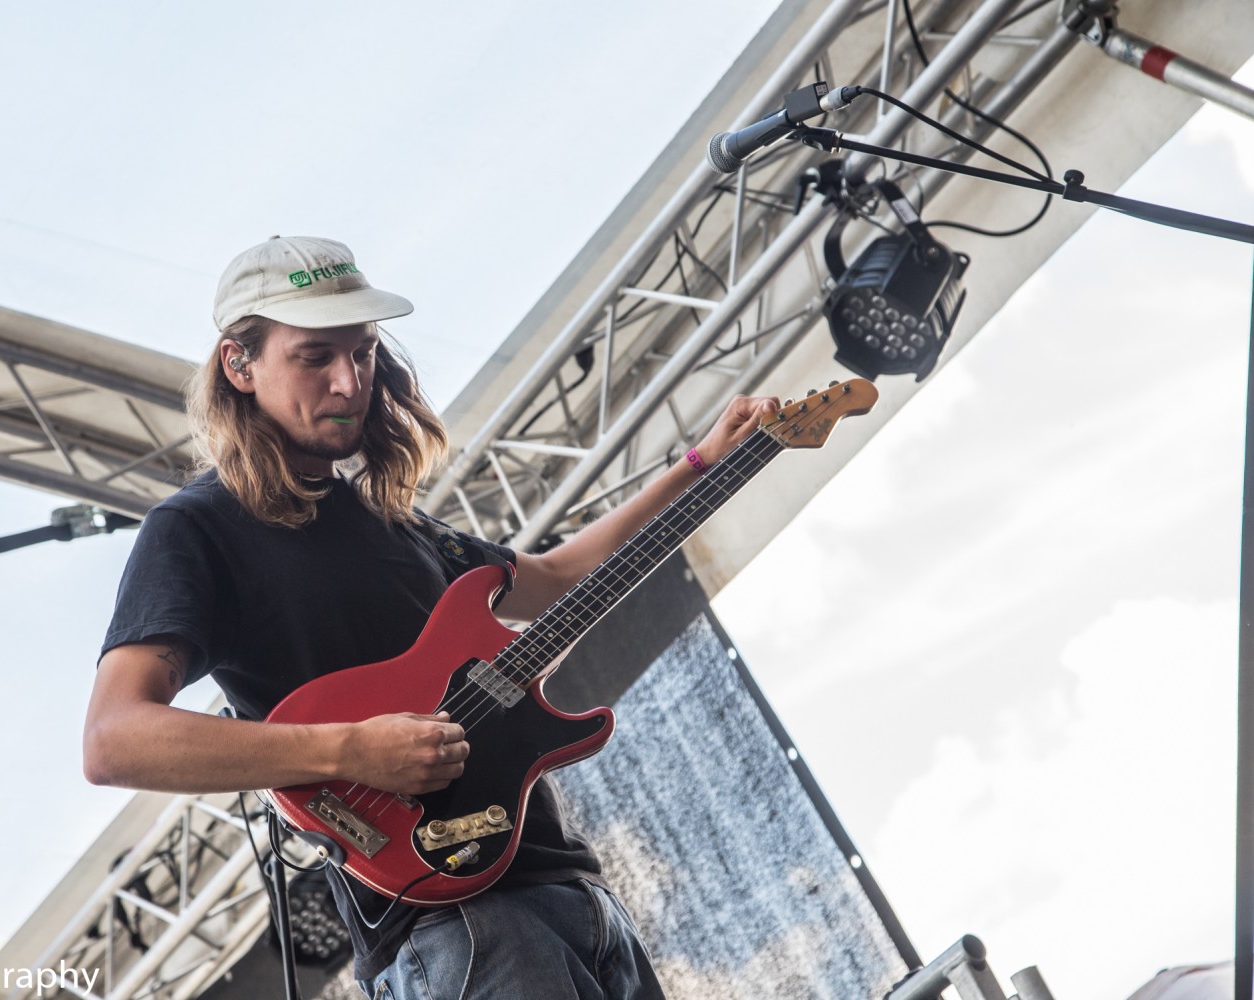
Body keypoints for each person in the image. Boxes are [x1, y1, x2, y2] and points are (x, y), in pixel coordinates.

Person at [84, 235, 777, 999]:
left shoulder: (392, 520)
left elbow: (555, 578)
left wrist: (703, 464)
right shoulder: (197, 527)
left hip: (576, 900)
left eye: (365, 351)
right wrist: (351, 750)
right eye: (315, 357)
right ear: (239, 365)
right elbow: (115, 739)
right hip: (461, 933)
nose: (350, 381)